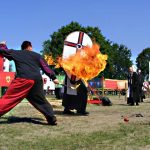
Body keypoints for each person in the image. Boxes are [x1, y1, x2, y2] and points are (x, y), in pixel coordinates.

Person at [0, 41, 59, 125]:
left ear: (22, 48)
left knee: (9, 98)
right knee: (40, 100)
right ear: (30, 47)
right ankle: (51, 117)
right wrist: (53, 77)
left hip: (23, 80)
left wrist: (2, 45)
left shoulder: (17, 53)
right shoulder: (37, 55)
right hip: (37, 81)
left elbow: (3, 51)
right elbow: (45, 67)